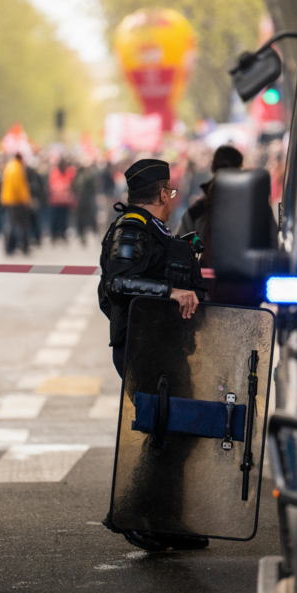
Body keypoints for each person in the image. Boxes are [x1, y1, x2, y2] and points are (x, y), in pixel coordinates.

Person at [97, 157, 209, 553]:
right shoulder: (131, 228)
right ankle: (131, 513)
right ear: (162, 194)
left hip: (166, 345)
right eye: (171, 192)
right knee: (166, 429)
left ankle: (166, 520)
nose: (172, 198)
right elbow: (118, 282)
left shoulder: (159, 231)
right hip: (142, 347)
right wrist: (170, 293)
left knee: (180, 428)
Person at [175, 145, 277, 306]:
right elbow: (272, 246)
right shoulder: (259, 207)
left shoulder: (197, 210)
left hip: (206, 295)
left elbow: (179, 249)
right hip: (250, 294)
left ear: (212, 168)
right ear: (240, 168)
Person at [0, 153, 32, 255]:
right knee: (20, 225)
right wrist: (26, 199)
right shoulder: (17, 168)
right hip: (17, 201)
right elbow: (20, 186)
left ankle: (9, 247)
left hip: (8, 199)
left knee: (10, 223)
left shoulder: (9, 166)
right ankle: (20, 246)